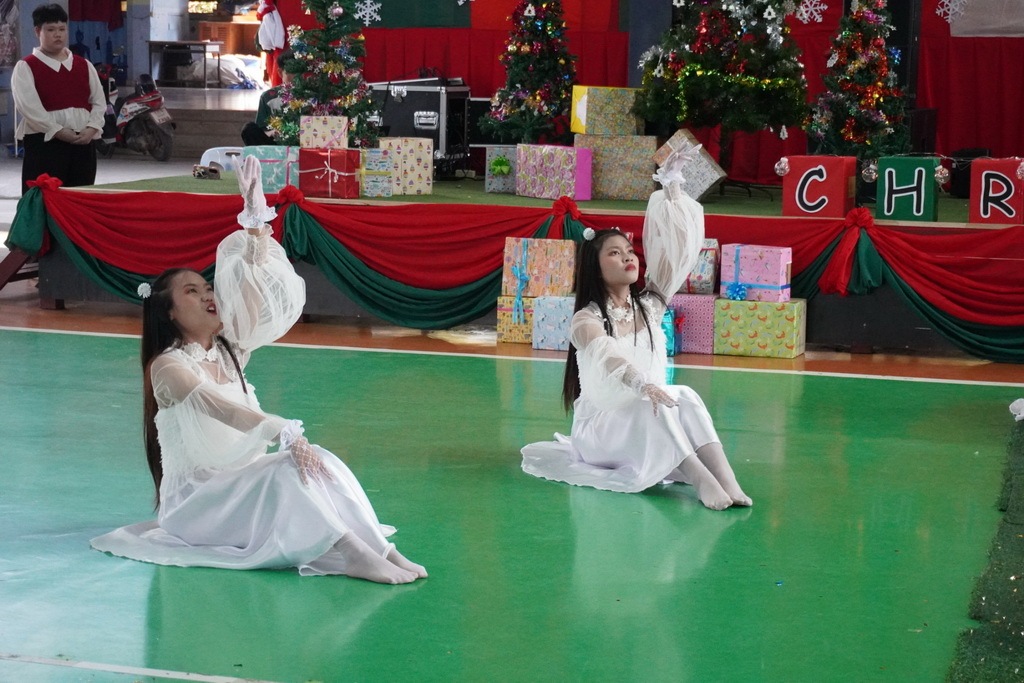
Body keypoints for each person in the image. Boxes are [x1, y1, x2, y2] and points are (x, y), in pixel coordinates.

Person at [91, 156, 427, 583]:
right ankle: (352, 552)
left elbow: (253, 288)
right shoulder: (168, 367)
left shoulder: (228, 350)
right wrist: (283, 431)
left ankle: (380, 549)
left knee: (320, 460)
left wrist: (254, 219)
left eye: (208, 287)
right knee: (285, 468)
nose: (208, 295)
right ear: (169, 312)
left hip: (236, 490)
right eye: (192, 292)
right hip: (196, 504)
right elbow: (225, 411)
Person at [521, 146, 752, 511]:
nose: (628, 256)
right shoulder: (586, 320)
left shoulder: (648, 306)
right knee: (649, 403)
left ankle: (727, 479)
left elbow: (678, 250)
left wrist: (672, 186)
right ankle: (700, 479)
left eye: (629, 250)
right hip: (600, 432)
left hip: (644, 416)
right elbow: (608, 355)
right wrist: (643, 384)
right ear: (596, 268)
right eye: (614, 253)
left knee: (685, 395)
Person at [12, 4, 106, 195]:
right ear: (37, 31)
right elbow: (29, 108)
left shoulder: (83, 65)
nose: (58, 35)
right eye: (51, 30)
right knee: (44, 199)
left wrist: (92, 128)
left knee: (79, 198)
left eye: (62, 29)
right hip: (45, 144)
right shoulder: (26, 66)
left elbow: (98, 101)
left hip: (82, 143)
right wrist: (57, 131)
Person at [241, 49, 294, 146]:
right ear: (280, 72)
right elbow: (262, 130)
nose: (296, 77)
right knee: (249, 129)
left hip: (305, 141)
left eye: (301, 72)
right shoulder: (268, 97)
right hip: (276, 144)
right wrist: (273, 132)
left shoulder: (313, 95)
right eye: (291, 72)